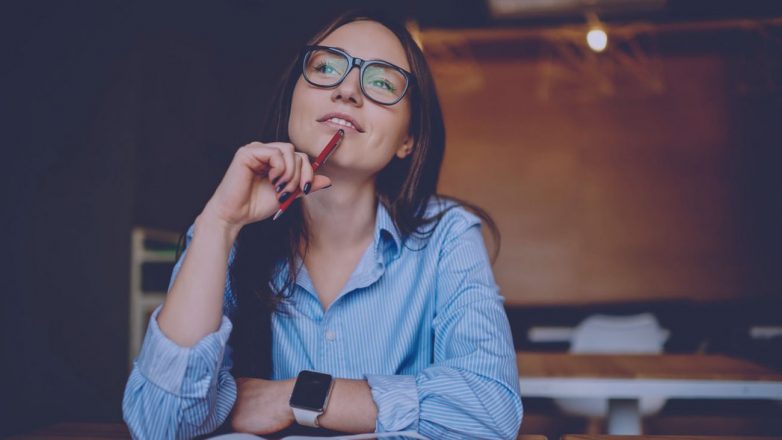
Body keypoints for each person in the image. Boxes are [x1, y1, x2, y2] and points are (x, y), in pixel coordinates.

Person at [122, 9, 522, 440]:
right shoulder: (227, 229)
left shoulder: (448, 237)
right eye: (326, 67)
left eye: (382, 82)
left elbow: (489, 410)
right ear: (293, 100)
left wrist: (297, 396)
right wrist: (220, 223)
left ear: (410, 140)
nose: (348, 90)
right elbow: (160, 423)